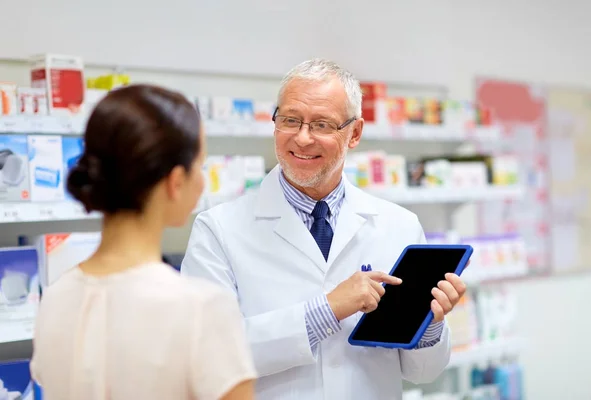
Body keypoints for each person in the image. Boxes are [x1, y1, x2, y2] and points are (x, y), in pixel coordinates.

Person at [180, 59, 467, 399]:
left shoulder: (399, 225)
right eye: (290, 120)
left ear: (355, 133)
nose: (302, 138)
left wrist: (430, 325)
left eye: (321, 125)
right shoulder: (218, 230)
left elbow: (424, 372)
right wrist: (326, 310)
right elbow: (208, 354)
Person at [30, 84, 257, 400]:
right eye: (200, 165)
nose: (202, 178)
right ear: (175, 182)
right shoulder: (201, 309)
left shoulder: (54, 299)